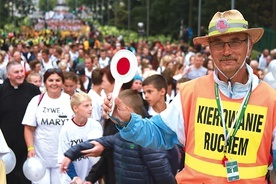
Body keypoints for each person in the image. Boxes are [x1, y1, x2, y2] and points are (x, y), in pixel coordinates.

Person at [101, 9, 276, 183]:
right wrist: (127, 120)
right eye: (218, 43)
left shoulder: (271, 99)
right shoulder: (191, 92)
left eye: (235, 42)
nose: (226, 51)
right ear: (210, 49)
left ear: (249, 46)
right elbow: (158, 133)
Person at [60, 89, 177, 184]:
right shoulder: (121, 136)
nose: (113, 113)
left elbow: (162, 174)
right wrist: (71, 155)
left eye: (118, 109)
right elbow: (98, 143)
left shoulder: (149, 141)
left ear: (128, 111)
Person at [22, 68, 73, 184]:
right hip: (40, 158)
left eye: (58, 80)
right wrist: (30, 148)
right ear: (45, 83)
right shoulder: (36, 101)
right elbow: (29, 128)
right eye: (50, 80)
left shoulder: (70, 101)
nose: (54, 83)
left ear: (62, 83)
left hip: (62, 159)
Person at [0, 61, 40, 184]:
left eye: (21, 71)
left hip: (27, 145)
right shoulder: (1, 91)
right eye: (16, 72)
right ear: (8, 75)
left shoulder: (33, 90)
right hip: (7, 146)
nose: (20, 74)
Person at [58, 93, 103, 184]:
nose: (90, 108)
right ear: (75, 108)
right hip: (71, 179)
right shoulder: (66, 129)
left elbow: (100, 155)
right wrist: (75, 177)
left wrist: (94, 178)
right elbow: (64, 157)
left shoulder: (96, 125)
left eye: (91, 105)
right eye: (86, 106)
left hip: (91, 179)